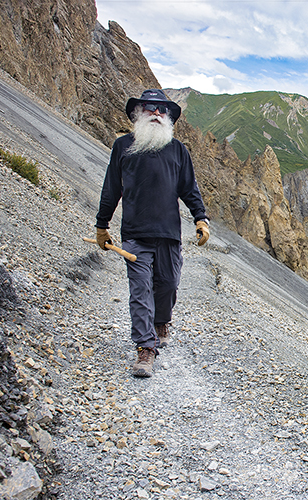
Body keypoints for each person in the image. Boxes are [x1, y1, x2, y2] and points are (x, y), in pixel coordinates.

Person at [94, 89, 210, 378]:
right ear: (139, 112)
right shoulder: (123, 147)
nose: (156, 113)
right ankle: (145, 348)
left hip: (169, 233)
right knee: (140, 290)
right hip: (135, 233)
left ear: (168, 116)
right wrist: (101, 225)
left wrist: (201, 218)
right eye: (150, 108)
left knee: (168, 284)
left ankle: (161, 321)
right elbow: (111, 189)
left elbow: (189, 188)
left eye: (162, 109)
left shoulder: (177, 149)